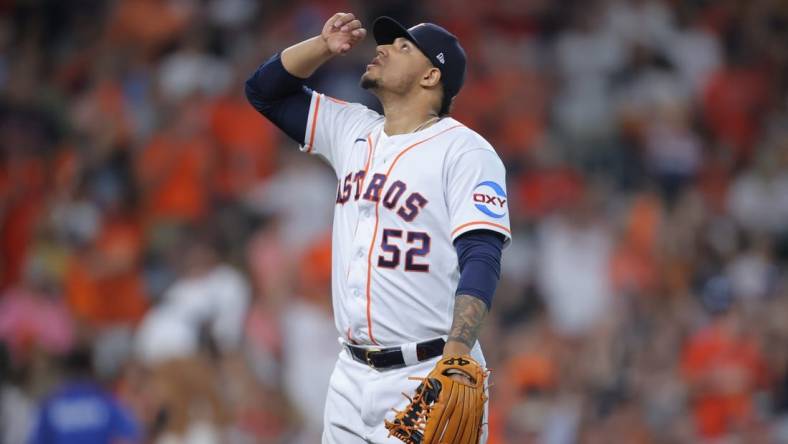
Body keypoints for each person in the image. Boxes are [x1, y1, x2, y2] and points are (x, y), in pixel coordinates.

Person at [245, 12, 511, 443]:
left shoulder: (465, 151)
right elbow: (264, 92)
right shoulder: (351, 129)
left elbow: (482, 254)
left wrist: (458, 353)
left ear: (430, 76)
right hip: (349, 376)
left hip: (428, 371)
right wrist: (321, 46)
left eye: (403, 47)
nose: (382, 48)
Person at [27, 346, 140, 444]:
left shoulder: (51, 405)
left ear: (65, 370)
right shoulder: (106, 403)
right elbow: (130, 436)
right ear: (92, 369)